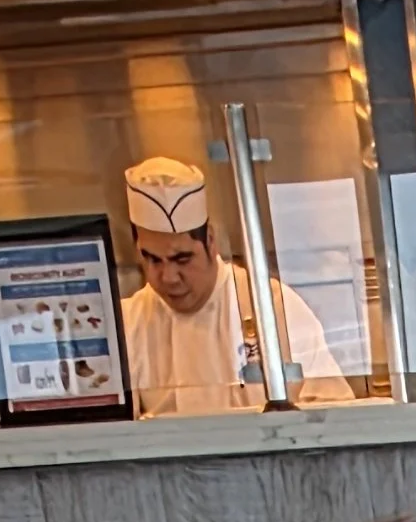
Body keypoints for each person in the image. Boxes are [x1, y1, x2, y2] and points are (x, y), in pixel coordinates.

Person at [121, 157, 354, 417]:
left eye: (182, 259)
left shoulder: (273, 306)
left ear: (210, 241)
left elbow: (333, 414)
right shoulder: (129, 324)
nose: (168, 277)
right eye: (152, 259)